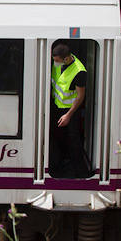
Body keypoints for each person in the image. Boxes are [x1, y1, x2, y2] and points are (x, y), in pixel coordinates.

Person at [50, 42, 91, 177]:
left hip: (70, 110)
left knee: (73, 139)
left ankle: (78, 171)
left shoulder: (79, 72)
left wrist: (68, 115)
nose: (54, 63)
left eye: (57, 61)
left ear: (66, 59)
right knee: (57, 136)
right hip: (57, 106)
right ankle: (59, 164)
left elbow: (80, 96)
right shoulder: (59, 64)